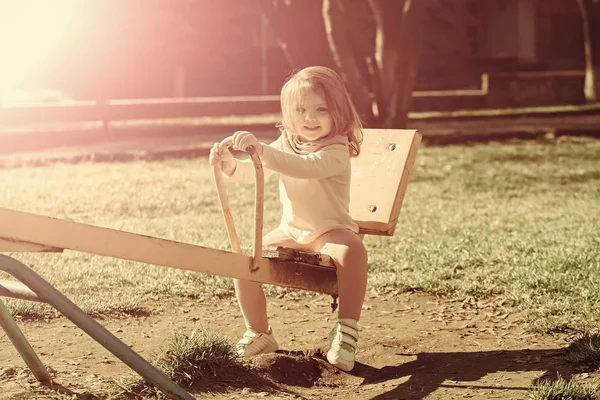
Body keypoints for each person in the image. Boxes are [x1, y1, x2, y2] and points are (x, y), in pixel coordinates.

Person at [209, 66, 368, 372]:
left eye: (321, 109)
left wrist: (262, 149)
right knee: (243, 259)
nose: (309, 118)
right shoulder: (287, 143)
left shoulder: (337, 150)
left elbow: (303, 167)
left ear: (338, 110)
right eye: (300, 110)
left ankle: (346, 331)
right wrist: (230, 165)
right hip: (291, 231)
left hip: (329, 231)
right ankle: (259, 331)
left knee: (353, 251)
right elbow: (256, 173)